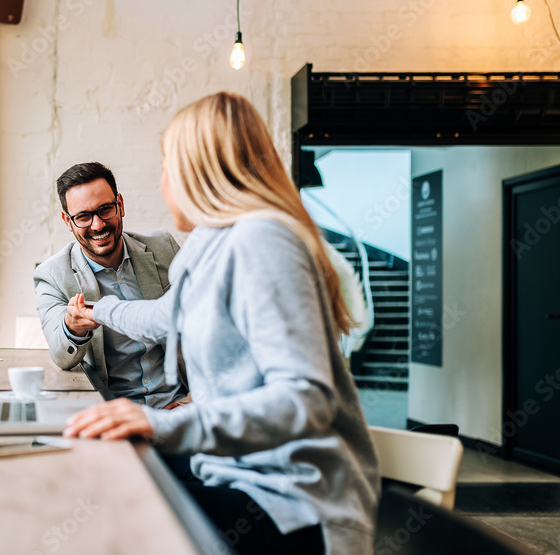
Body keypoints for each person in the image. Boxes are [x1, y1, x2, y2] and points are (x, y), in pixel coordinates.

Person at [62, 94, 379, 554]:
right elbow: (164, 316)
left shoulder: (262, 240)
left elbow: (303, 400)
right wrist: (99, 310)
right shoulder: (211, 241)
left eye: (167, 166)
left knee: (110, 512)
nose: (163, 181)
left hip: (288, 500)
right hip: (234, 472)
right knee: (101, 475)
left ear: (197, 172)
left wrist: (162, 424)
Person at [33, 162, 188, 409]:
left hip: (180, 405)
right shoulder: (52, 275)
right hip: (117, 416)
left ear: (120, 205)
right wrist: (72, 328)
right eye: (83, 216)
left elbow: (205, 319)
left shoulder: (163, 247)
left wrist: (193, 402)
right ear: (67, 221)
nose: (97, 225)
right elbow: (62, 357)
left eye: (105, 209)